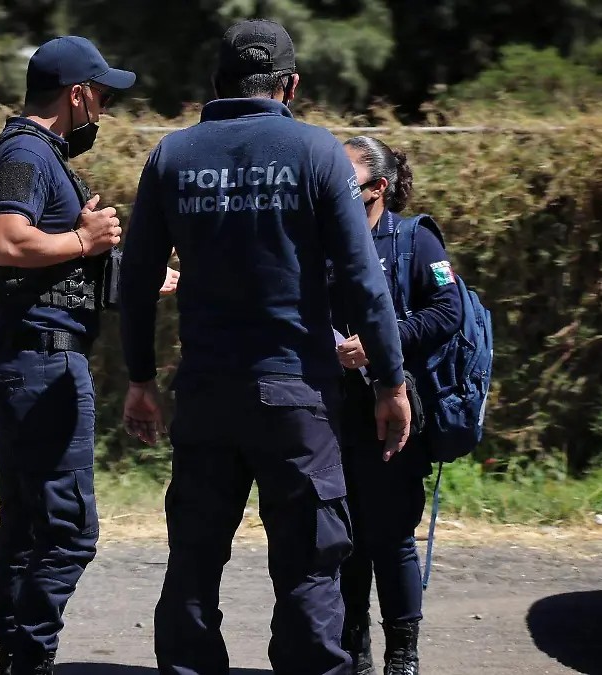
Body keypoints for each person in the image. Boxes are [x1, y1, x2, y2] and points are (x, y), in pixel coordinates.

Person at [117, 19, 413, 675]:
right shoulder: (316, 153)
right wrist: (392, 385)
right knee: (309, 566)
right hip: (296, 399)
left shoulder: (172, 156)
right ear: (291, 84)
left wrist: (139, 378)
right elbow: (363, 277)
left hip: (205, 394)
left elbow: (134, 279)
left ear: (216, 82)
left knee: (193, 561)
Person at [0, 35, 176, 675]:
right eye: (102, 98)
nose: (102, 113)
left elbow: (41, 272)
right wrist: (84, 238)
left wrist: (128, 276)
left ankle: (15, 657)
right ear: (76, 94)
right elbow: (8, 242)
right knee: (68, 531)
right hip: (42, 363)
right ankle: (29, 660)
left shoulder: (33, 154)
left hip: (27, 353)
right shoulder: (27, 152)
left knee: (27, 526)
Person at [333, 136, 462, 675]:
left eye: (345, 183)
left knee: (390, 539)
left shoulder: (414, 241)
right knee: (344, 541)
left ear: (378, 188)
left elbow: (448, 310)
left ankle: (402, 656)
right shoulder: (323, 241)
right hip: (332, 413)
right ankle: (355, 654)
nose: (331, 192)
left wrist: (384, 343)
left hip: (395, 413)